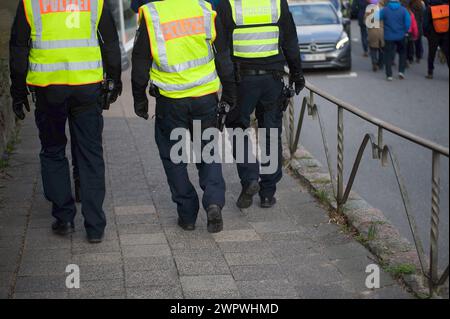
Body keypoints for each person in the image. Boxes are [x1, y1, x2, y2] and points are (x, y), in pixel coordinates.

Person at [9, 0, 122, 243]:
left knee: (53, 150)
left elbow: (18, 46)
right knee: (90, 154)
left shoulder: (31, 2)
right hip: (87, 86)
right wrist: (114, 79)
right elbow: (110, 41)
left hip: (48, 88)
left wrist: (17, 91)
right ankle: (94, 226)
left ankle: (64, 218)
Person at [132, 0, 237, 233]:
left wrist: (139, 98)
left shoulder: (152, 14)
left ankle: (187, 215)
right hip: (205, 97)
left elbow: (140, 61)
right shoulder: (205, 10)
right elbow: (223, 57)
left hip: (171, 101)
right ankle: (213, 201)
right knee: (207, 151)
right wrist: (229, 94)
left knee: (174, 157)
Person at [217, 0, 305, 209]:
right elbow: (290, 40)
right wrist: (297, 73)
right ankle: (267, 193)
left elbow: (220, 48)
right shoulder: (276, 2)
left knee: (238, 128)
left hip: (242, 80)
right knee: (271, 132)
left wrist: (225, 83)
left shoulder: (226, 4)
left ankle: (249, 179)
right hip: (272, 79)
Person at [380, 0, 411, 80]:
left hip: (388, 36)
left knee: (388, 55)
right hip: (401, 36)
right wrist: (405, 30)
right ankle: (401, 71)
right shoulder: (403, 10)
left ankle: (389, 75)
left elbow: (377, 17)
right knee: (402, 53)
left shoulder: (385, 10)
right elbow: (408, 22)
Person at [423, 0, 449, 79]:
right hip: (446, 34)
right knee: (448, 54)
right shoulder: (447, 8)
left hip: (433, 35)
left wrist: (427, 34)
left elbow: (425, 24)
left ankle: (430, 72)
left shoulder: (429, 9)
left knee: (431, 54)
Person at [366, 0, 386, 71]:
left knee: (373, 48)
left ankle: (374, 62)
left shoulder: (369, 8)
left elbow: (365, 21)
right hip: (381, 31)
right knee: (382, 48)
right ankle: (380, 64)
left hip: (372, 31)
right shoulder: (383, 8)